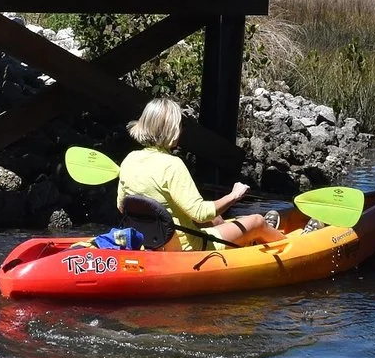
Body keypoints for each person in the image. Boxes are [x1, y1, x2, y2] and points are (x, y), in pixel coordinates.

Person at [116, 97, 271, 250]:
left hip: (147, 242)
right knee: (258, 222)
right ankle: (287, 253)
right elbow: (200, 213)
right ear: (171, 129)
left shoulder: (129, 159)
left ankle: (243, 245)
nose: (181, 129)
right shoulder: (172, 165)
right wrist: (234, 195)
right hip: (186, 247)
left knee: (216, 220)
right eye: (179, 124)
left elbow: (122, 206)